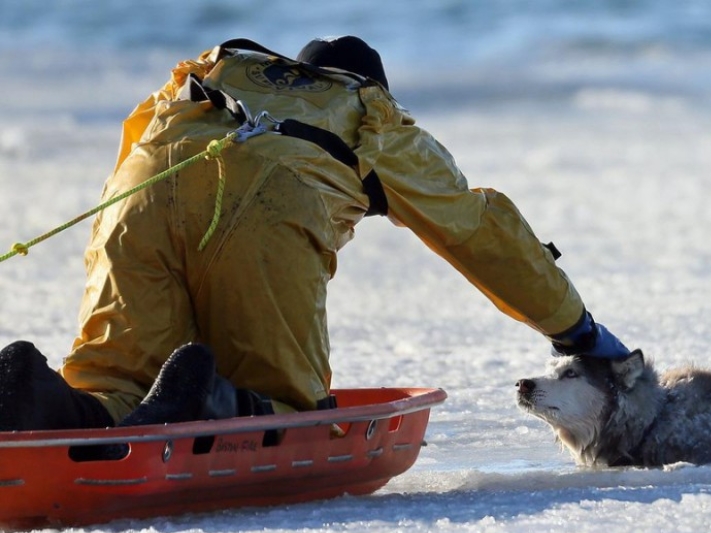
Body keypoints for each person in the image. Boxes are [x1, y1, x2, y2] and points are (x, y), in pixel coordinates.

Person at [0, 36, 629, 432]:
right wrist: (576, 328)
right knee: (291, 412)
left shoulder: (210, 74)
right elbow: (478, 230)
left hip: (134, 200)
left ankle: (37, 394)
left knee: (115, 386)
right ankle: (208, 403)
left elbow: (141, 157)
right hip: (266, 206)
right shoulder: (372, 114)